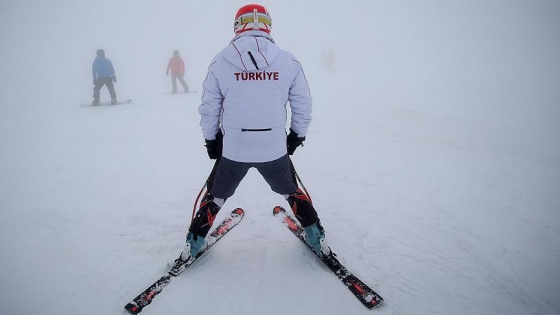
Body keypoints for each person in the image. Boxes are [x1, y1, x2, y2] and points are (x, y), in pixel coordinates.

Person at [179, 4, 330, 263]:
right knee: (291, 191)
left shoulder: (220, 60)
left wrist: (211, 140)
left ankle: (193, 245)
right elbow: (303, 105)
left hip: (234, 149)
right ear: (268, 25)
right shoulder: (288, 60)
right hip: (273, 148)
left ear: (238, 26)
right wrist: (296, 136)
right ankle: (317, 238)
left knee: (215, 194)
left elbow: (209, 108)